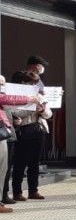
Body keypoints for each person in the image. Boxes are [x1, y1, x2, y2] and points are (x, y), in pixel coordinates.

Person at [8, 69, 51, 202]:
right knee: (20, 162)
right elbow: (14, 112)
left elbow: (49, 114)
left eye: (34, 84)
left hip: (38, 129)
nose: (33, 87)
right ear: (21, 84)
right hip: (23, 129)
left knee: (35, 162)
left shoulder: (38, 95)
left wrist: (43, 110)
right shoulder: (14, 96)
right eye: (30, 84)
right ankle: (17, 192)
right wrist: (31, 107)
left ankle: (34, 190)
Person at [0, 77, 38, 213]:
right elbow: (8, 100)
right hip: (1, 134)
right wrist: (29, 99)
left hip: (5, 132)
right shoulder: (3, 97)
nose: (3, 87)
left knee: (3, 169)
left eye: (3, 84)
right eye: (0, 84)